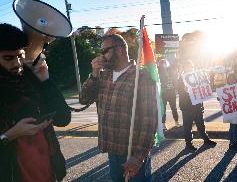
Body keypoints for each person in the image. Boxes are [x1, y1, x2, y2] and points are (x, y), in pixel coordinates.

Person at [79, 34, 157, 182]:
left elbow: (149, 120)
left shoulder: (141, 76)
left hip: (132, 152)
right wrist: (94, 74)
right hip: (112, 149)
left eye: (105, 51)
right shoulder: (103, 76)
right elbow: (83, 99)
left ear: (119, 50)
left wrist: (139, 157)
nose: (101, 56)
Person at [0, 23, 71, 181]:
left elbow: (63, 118)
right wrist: (10, 135)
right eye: (8, 58)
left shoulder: (30, 78)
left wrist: (46, 81)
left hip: (49, 172)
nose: (17, 64)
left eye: (20, 55)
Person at [177, 59, 216, 152]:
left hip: (197, 105)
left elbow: (200, 91)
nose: (191, 68)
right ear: (184, 67)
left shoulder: (196, 77)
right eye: (189, 67)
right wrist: (186, 90)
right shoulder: (181, 78)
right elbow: (181, 91)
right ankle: (188, 144)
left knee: (201, 124)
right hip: (187, 106)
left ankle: (206, 139)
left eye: (192, 67)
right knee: (188, 126)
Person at [221, 73, 237, 150]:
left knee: (235, 126)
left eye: (233, 79)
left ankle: (233, 141)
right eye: (231, 79)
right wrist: (220, 98)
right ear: (228, 80)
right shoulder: (226, 88)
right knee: (233, 126)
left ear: (236, 79)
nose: (232, 80)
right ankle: (233, 143)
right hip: (231, 111)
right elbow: (221, 96)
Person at [157, 58, 179, 130]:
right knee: (163, 109)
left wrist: (176, 59)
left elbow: (174, 65)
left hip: (172, 92)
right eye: (163, 63)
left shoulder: (171, 70)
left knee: (174, 108)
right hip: (164, 93)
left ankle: (176, 122)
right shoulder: (159, 72)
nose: (164, 64)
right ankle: (163, 124)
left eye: (165, 63)